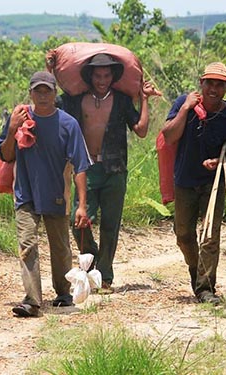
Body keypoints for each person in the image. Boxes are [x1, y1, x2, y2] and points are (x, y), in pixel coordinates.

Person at [61, 53, 160, 293]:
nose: (102, 80)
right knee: (79, 220)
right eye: (97, 75)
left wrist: (144, 100)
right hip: (86, 168)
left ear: (113, 76)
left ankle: (104, 276)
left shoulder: (123, 100)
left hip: (115, 169)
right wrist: (51, 68)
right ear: (90, 76)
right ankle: (93, 261)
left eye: (106, 75)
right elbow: (53, 102)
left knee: (110, 224)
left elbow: (141, 130)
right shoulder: (76, 100)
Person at [0, 71, 92, 317]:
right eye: (37, 91)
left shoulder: (68, 124)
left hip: (55, 194)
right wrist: (12, 130)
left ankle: (63, 292)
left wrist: (82, 205)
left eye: (47, 90)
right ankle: (32, 300)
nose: (42, 95)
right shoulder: (19, 118)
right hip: (25, 194)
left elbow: (80, 165)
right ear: (30, 93)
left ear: (54, 93)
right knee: (27, 244)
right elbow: (6, 155)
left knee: (60, 247)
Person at [162, 62, 226, 305]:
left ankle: (206, 288)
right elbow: (168, 135)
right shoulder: (183, 103)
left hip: (214, 183)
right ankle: (197, 271)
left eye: (220, 85)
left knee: (210, 236)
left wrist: (218, 161)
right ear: (202, 83)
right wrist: (186, 108)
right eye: (210, 83)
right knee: (184, 235)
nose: (214, 89)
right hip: (185, 180)